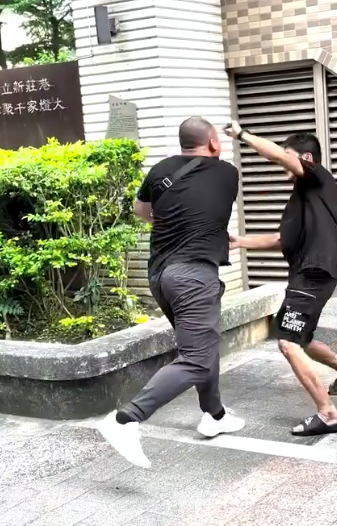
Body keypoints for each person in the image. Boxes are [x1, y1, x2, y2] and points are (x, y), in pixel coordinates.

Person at [98, 117, 245, 468]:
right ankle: (125, 421)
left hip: (161, 276)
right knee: (196, 357)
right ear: (213, 143)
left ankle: (215, 415)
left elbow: (141, 211)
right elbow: (210, 209)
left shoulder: (160, 170)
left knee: (201, 346)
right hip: (194, 276)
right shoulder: (227, 173)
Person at [224, 121, 337, 437]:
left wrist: (242, 135)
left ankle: (329, 414)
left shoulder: (317, 178)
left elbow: (280, 157)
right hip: (310, 274)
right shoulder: (305, 197)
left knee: (287, 342)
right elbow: (281, 240)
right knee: (302, 339)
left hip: (312, 274)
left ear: (305, 158)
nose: (280, 161)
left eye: (287, 155)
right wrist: (239, 242)